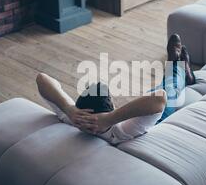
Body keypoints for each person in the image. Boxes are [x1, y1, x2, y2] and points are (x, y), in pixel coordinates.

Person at [36, 33, 196, 145]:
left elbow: (42, 78)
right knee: (170, 87)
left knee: (157, 89)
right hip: (155, 116)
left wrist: (69, 109)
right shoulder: (120, 131)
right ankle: (179, 65)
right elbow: (160, 98)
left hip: (141, 108)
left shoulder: (77, 119)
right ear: (112, 107)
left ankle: (179, 65)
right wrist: (110, 118)